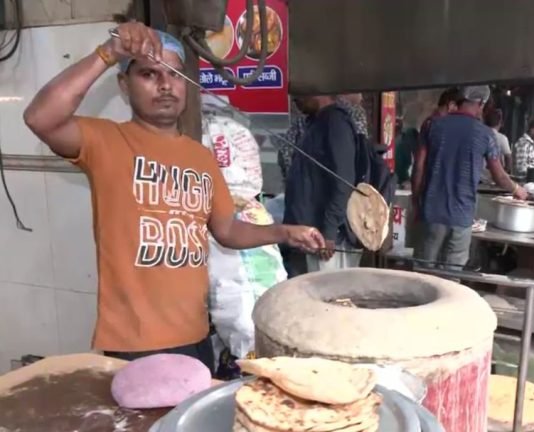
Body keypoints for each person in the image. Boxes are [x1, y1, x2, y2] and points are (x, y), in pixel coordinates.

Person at [22, 23, 324, 370]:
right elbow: (40, 117)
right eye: (149, 74)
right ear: (124, 85)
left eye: (175, 75)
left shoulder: (201, 157)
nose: (165, 85)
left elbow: (227, 230)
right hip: (134, 342)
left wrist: (283, 232)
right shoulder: (106, 141)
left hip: (195, 335)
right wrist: (108, 53)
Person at [411, 86, 527, 269]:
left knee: (422, 273)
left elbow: (418, 168)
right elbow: (499, 176)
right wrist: (517, 189)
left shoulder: (432, 125)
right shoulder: (486, 134)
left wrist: (416, 202)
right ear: (480, 104)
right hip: (462, 216)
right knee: (452, 276)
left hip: (432, 212)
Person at [284, 95, 361, 273]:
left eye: (300, 95)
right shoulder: (314, 122)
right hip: (309, 233)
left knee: (329, 288)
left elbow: (343, 180)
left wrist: (329, 231)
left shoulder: (335, 122)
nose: (296, 100)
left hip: (326, 238)